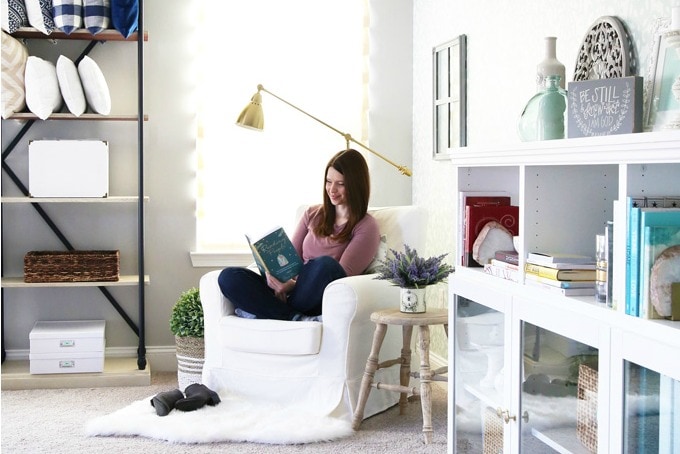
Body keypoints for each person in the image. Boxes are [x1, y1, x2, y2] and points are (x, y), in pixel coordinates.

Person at [217, 148, 380, 321]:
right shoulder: (312, 213)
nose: (332, 189)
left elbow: (344, 277)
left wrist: (292, 287)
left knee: (325, 265)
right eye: (328, 181)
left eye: (341, 184)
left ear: (356, 185)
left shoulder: (366, 226)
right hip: (287, 290)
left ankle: (266, 310)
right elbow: (291, 257)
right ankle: (293, 316)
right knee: (229, 277)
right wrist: (276, 279)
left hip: (316, 294)